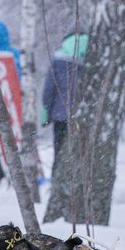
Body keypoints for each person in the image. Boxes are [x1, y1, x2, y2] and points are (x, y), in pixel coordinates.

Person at [41, 29, 88, 177]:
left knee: (60, 153)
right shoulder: (92, 61)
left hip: (61, 116)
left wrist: (46, 115)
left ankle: (57, 185)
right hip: (83, 117)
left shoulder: (58, 62)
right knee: (79, 154)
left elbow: (48, 91)